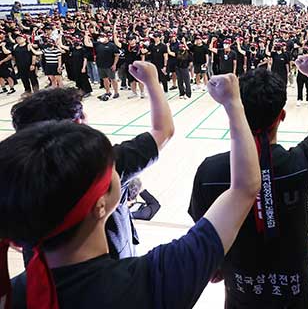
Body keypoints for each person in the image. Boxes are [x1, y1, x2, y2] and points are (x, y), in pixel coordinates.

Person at [0, 73, 260, 309]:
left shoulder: (14, 294)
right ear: (100, 203)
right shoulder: (155, 282)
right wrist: (233, 104)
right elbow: (244, 189)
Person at [188, 54, 308, 309]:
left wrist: (218, 264)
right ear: (282, 115)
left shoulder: (210, 173)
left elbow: (203, 228)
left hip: (241, 291)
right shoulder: (300, 163)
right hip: (293, 291)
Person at [10, 61, 174, 263]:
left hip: (42, 278)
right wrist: (152, 82)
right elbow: (163, 130)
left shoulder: (13, 172)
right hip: (110, 269)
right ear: (77, 123)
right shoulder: (103, 162)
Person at [85, 31, 120, 101]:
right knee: (105, 79)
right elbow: (87, 44)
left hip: (109, 66)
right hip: (100, 65)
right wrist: (86, 35)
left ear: (107, 38)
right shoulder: (97, 44)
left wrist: (114, 64)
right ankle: (108, 91)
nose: (102, 38)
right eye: (101, 37)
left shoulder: (112, 45)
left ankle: (116, 92)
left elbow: (117, 55)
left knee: (113, 79)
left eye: (103, 37)